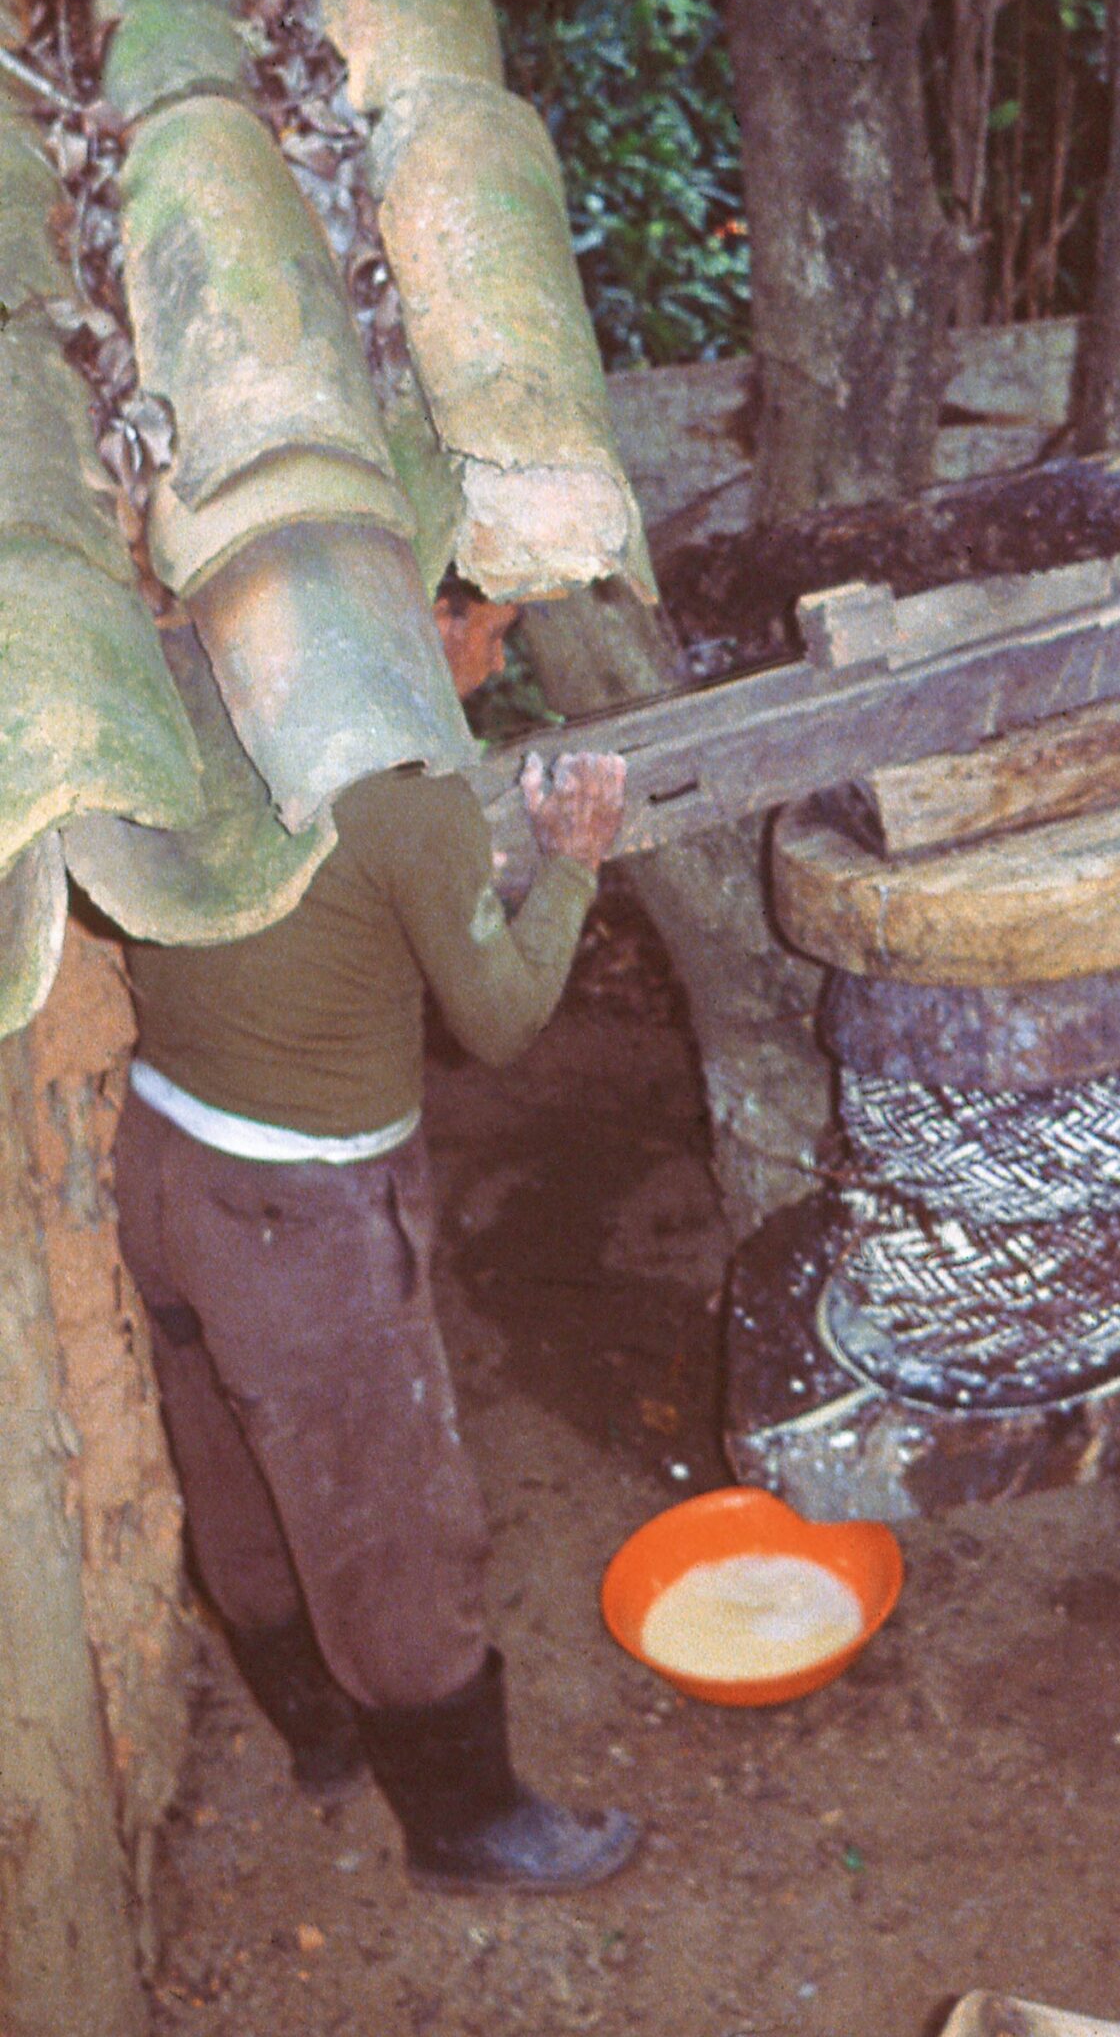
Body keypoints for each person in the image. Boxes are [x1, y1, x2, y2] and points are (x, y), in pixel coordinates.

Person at [113, 591, 639, 1895]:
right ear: (416, 618)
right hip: (303, 1216)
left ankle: (322, 1739)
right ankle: (465, 1823)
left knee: (235, 1464)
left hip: (166, 1163)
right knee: (393, 1520)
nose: (499, 660)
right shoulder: (406, 791)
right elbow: (501, 1022)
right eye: (486, 628)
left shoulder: (196, 696)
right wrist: (574, 861)